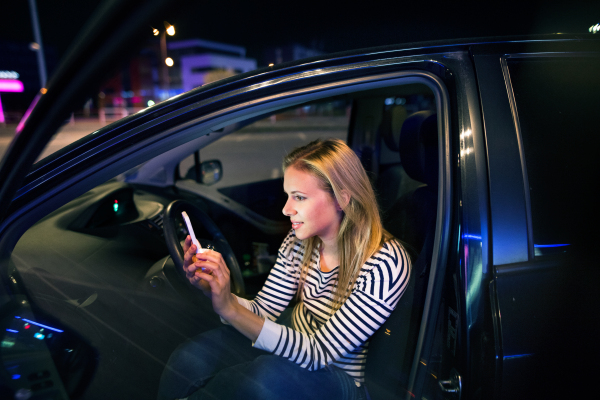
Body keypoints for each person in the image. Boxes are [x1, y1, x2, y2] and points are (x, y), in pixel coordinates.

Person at [158, 139, 411, 400]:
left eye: (299, 197)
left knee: (264, 381)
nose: (286, 209)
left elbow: (319, 353)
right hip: (292, 344)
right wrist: (215, 290)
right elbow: (264, 310)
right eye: (288, 195)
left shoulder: (385, 263)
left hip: (339, 378)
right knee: (191, 357)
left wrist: (230, 309)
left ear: (341, 199)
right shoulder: (299, 242)